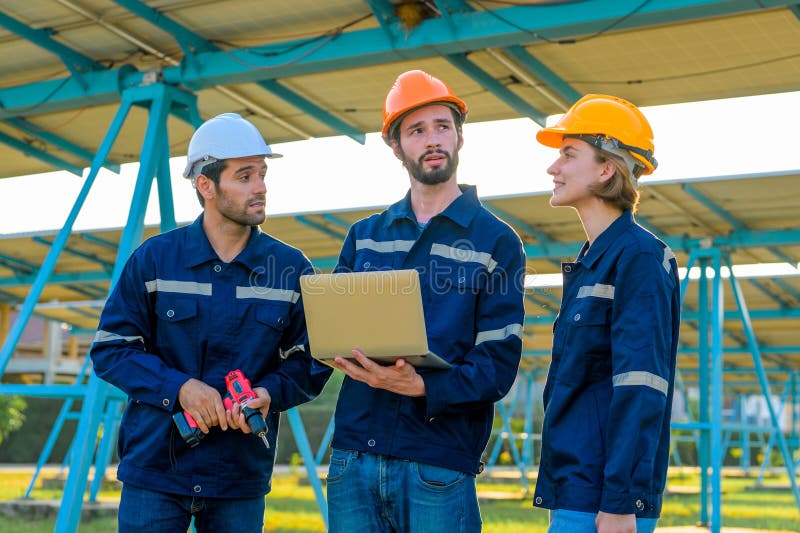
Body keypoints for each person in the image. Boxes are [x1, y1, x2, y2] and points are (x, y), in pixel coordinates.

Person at [90, 113, 331, 533]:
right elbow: (112, 349)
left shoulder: (290, 268)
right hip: (156, 471)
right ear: (206, 185)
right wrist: (179, 388)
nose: (260, 186)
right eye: (244, 176)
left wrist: (268, 393)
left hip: (238, 476)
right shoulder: (155, 260)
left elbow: (312, 358)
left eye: (262, 174)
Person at [325, 70, 526, 533]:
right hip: (353, 458)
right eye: (416, 130)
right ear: (396, 147)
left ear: (459, 136)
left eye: (442, 126)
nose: (433, 139)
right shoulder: (365, 237)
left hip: (438, 463)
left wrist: (422, 387)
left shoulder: (496, 241)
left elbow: (497, 364)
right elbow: (332, 333)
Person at [531, 94, 680, 533]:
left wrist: (620, 502)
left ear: (605, 169)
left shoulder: (639, 257)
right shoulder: (593, 260)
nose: (553, 168)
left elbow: (641, 384)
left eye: (568, 154)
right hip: (577, 490)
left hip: (604, 503)